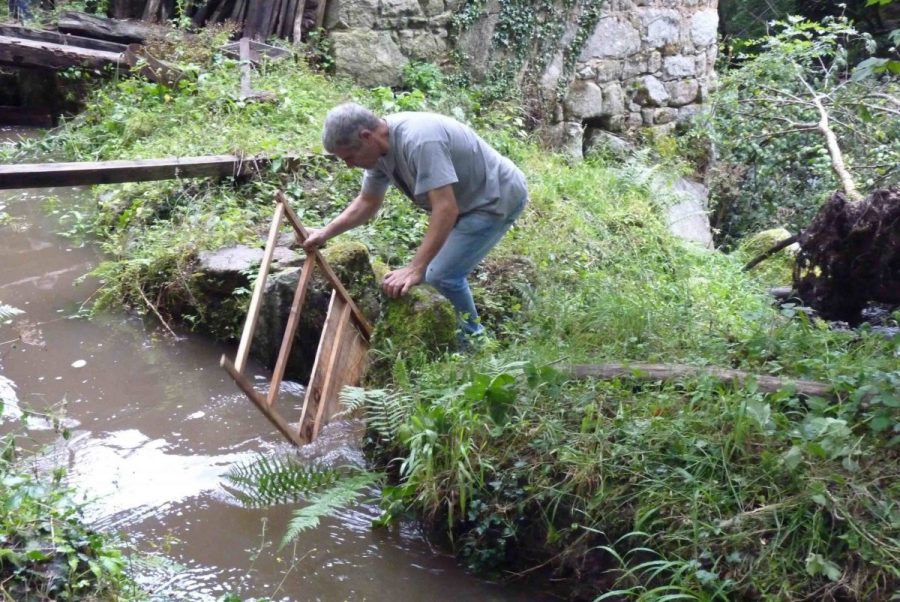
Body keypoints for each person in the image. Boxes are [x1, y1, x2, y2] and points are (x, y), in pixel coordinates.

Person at [303, 102, 528, 344]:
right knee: (434, 268)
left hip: (494, 197)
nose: (348, 164)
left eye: (349, 157)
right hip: (465, 200)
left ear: (366, 137)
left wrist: (415, 268)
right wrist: (325, 233)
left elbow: (445, 208)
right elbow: (367, 202)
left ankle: (474, 345)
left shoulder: (420, 140)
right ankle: (463, 337)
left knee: (441, 275)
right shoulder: (379, 152)